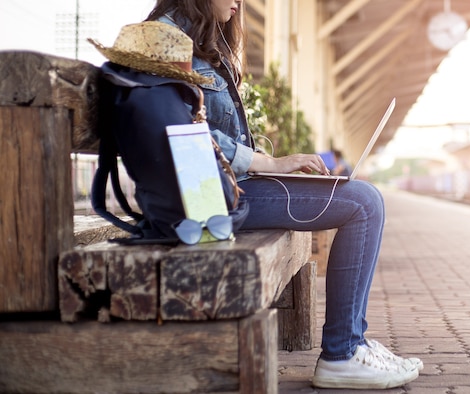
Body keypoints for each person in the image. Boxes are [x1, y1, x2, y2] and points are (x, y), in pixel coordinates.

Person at [145, 0, 423, 389]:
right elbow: (180, 131)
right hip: (200, 200)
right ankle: (343, 353)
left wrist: (271, 162)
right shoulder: (162, 38)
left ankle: (352, 343)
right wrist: (270, 164)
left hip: (223, 189)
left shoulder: (197, 38)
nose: (239, 3)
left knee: (360, 197)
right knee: (363, 203)